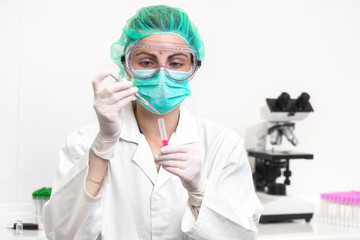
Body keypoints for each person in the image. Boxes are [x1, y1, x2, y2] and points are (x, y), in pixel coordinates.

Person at [42, 5, 263, 240]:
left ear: (193, 68)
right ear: (127, 67)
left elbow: (243, 236)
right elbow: (61, 233)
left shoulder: (223, 144)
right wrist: (102, 148)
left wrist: (201, 191)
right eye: (147, 62)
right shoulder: (85, 142)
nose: (161, 74)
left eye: (176, 63)